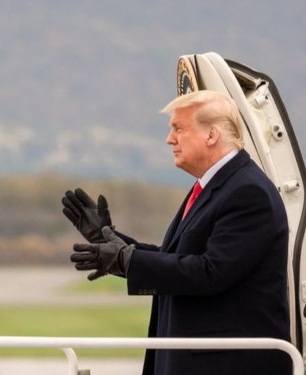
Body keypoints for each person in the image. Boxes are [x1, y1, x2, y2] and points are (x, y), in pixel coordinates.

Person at [62, 90, 292, 375]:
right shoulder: (216, 186)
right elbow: (178, 259)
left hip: (224, 366)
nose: (170, 139)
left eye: (179, 129)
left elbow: (210, 272)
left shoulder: (248, 192)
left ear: (212, 135)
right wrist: (114, 244)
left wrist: (126, 259)